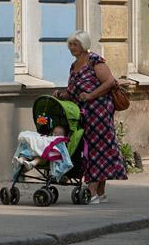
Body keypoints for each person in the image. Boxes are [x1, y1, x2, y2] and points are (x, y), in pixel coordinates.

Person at [54, 30, 127, 204]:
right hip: (83, 112)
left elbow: (109, 82)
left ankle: (92, 191)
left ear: (84, 45)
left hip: (99, 112)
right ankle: (100, 192)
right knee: (93, 150)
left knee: (97, 149)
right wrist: (63, 95)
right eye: (70, 44)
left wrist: (91, 95)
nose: (72, 48)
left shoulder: (94, 60)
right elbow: (75, 92)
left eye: (75, 44)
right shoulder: (74, 65)